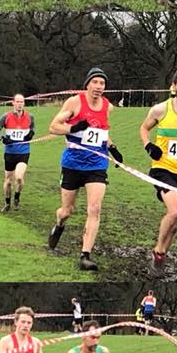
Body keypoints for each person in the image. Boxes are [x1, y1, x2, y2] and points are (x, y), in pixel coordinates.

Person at [48, 68, 123, 272]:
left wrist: (113, 148)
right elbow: (53, 127)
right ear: (87, 84)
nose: (99, 87)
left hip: (96, 164)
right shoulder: (74, 102)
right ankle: (59, 225)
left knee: (94, 208)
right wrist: (73, 128)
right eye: (95, 82)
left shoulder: (107, 106)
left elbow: (101, 133)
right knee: (67, 211)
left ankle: (85, 255)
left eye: (102, 83)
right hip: (72, 163)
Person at [139, 67, 177, 275]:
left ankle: (161, 252)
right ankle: (157, 252)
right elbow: (144, 128)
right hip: (163, 170)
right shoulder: (160, 110)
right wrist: (149, 146)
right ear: (174, 86)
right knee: (175, 211)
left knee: (176, 222)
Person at [0, 94, 35, 212]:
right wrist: (2, 138)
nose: (20, 104)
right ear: (13, 103)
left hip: (23, 152)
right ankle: (7, 203)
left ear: (24, 103)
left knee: (19, 178)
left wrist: (31, 134)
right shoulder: (6, 116)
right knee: (8, 180)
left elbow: (33, 128)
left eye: (22, 102)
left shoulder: (29, 116)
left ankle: (17, 197)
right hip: (10, 152)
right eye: (17, 101)